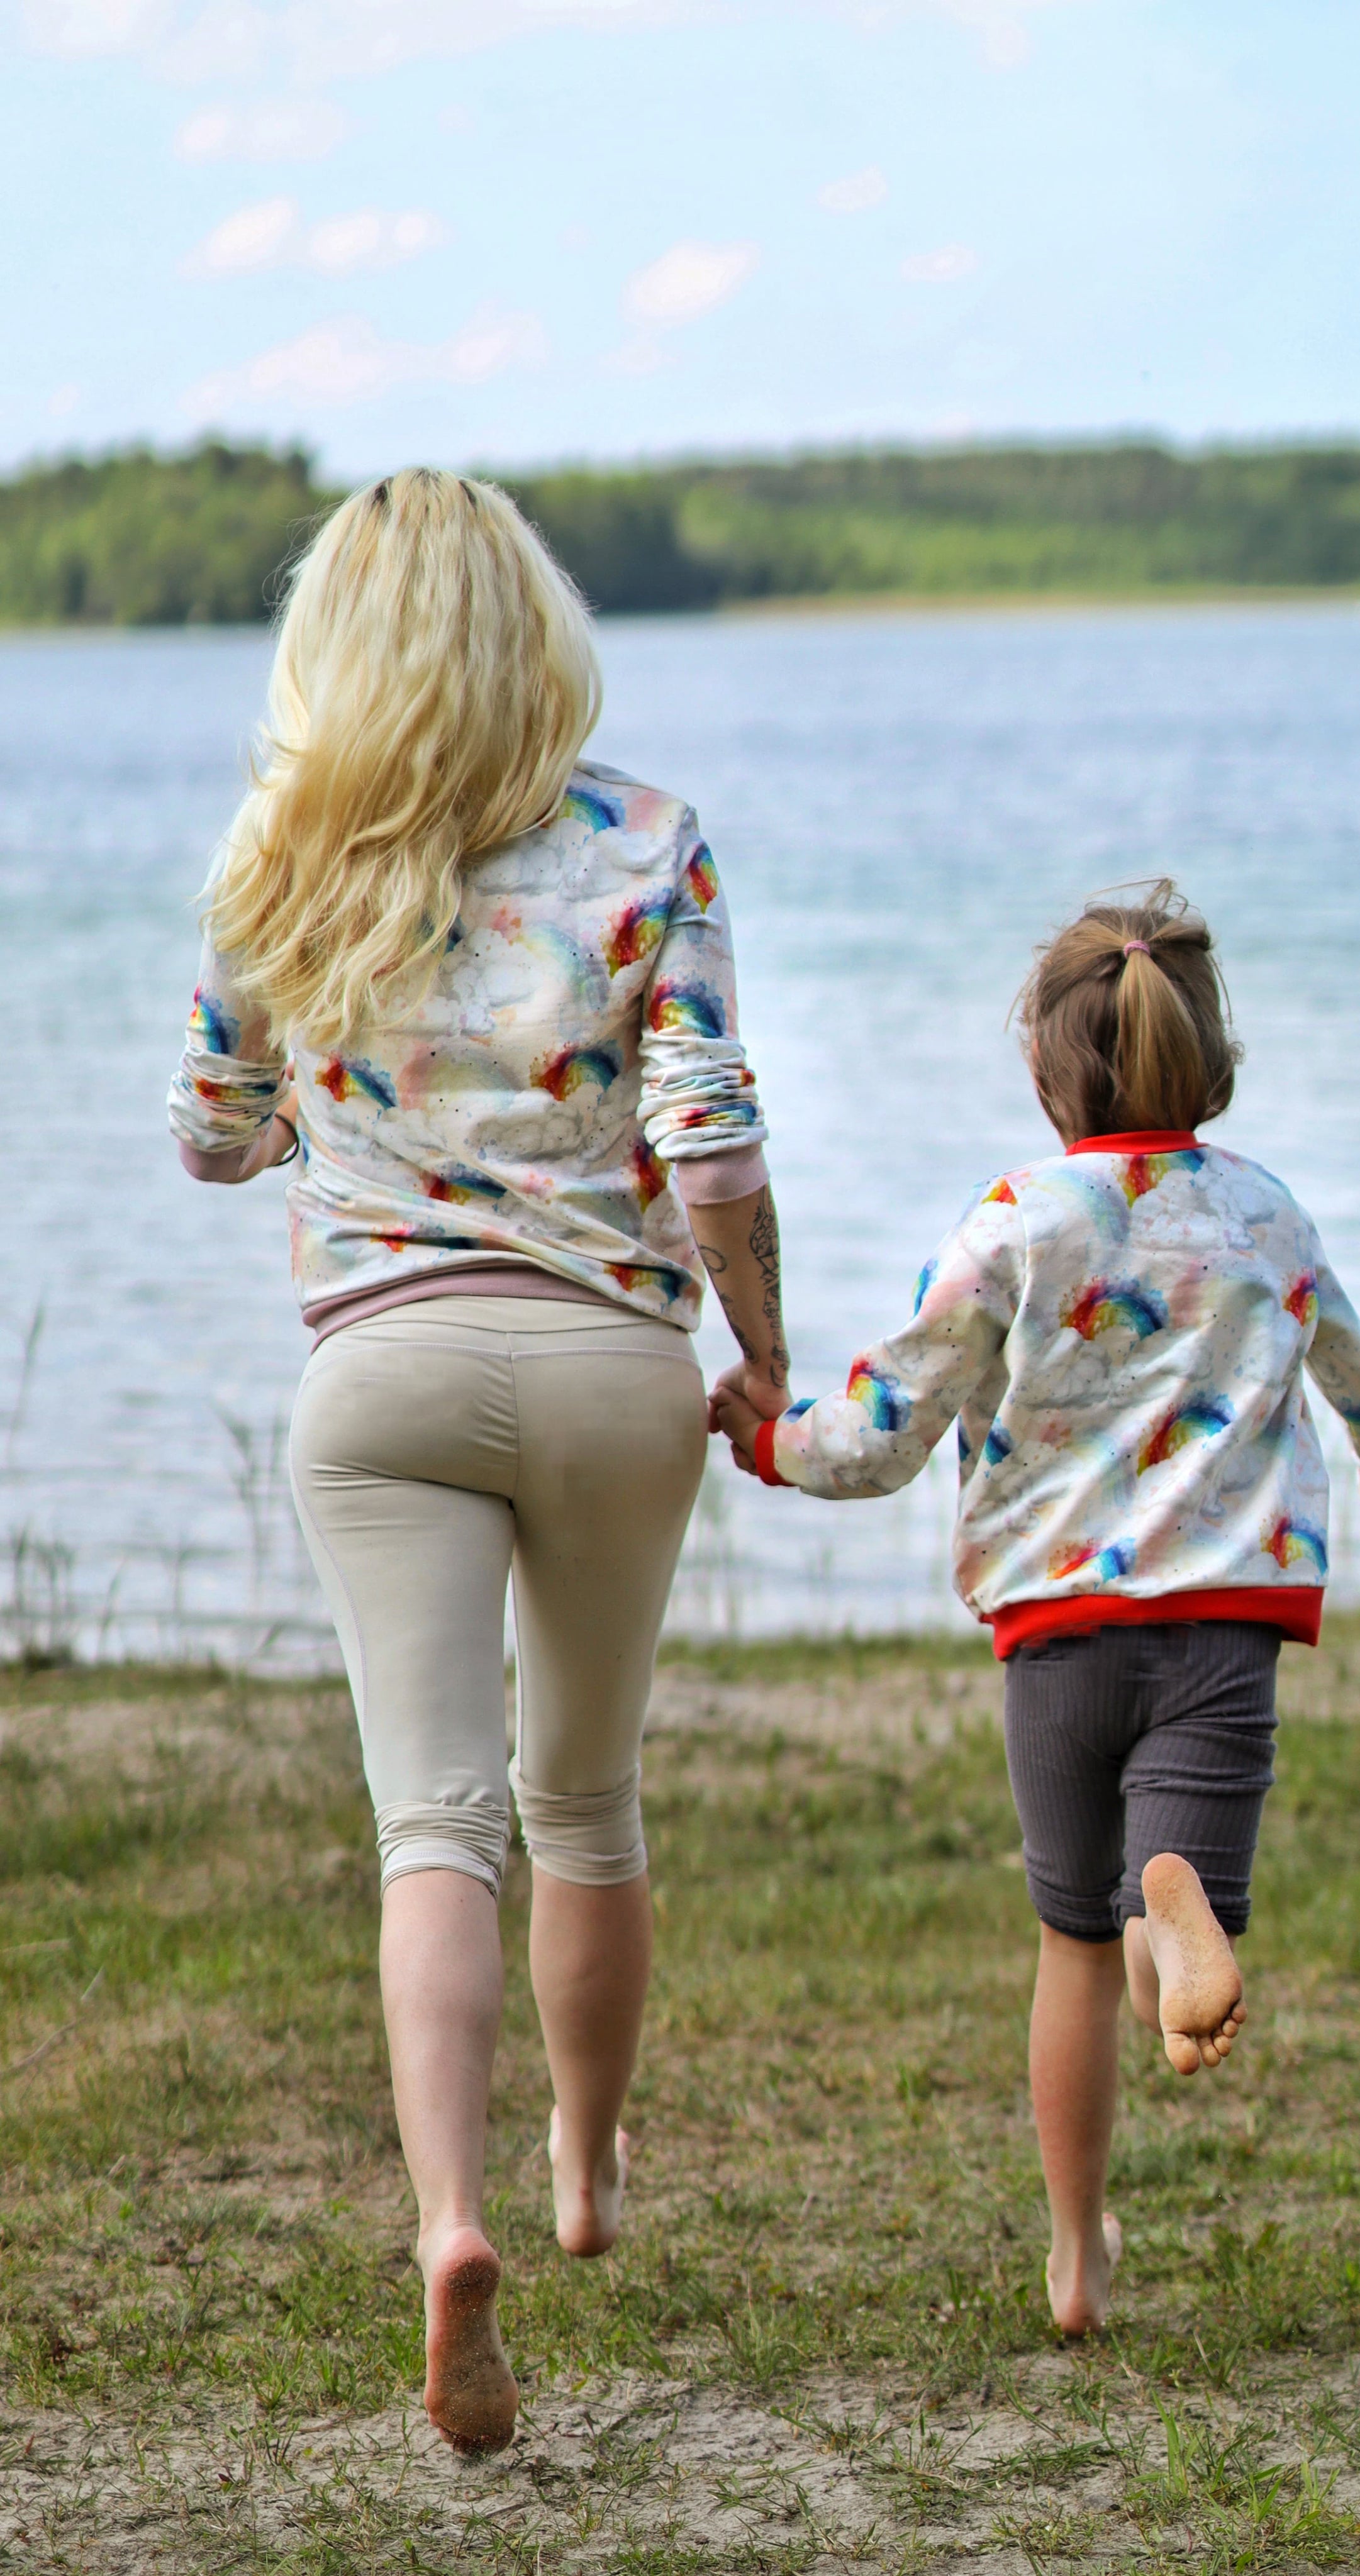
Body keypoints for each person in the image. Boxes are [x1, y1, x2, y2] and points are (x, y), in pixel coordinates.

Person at [168, 468, 789, 2451]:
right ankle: (584, 2176)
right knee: (585, 1801)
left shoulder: (284, 849)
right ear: (535, 630)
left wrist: (311, 1132)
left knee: (432, 1828)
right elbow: (710, 1143)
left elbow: (209, 1122)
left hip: (387, 1380)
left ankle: (453, 2226)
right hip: (612, 1372)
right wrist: (764, 1357)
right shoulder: (650, 837)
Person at [711, 885, 1360, 2337]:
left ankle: (1071, 2254)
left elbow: (888, 1418)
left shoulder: (1016, 1222)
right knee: (1163, 1880)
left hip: (1054, 1635)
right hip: (1224, 1619)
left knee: (1064, 1937)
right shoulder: (1263, 1211)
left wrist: (769, 1439)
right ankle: (1172, 1905)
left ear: (1049, 1072)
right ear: (1207, 1058)